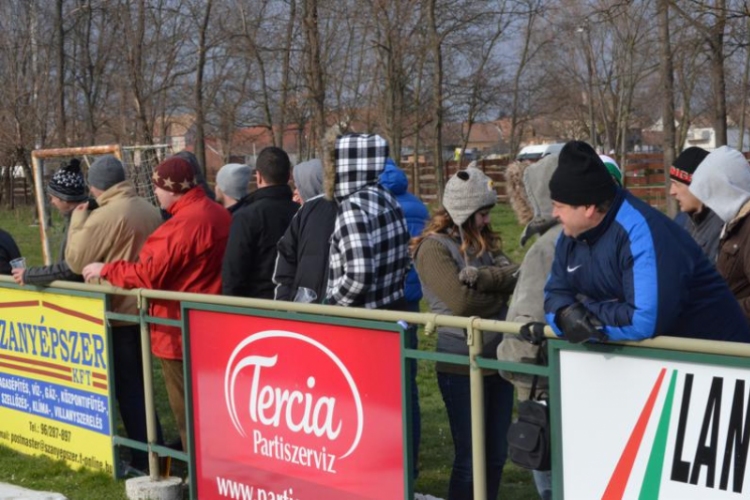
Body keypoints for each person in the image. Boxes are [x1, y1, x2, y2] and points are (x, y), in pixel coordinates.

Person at [82, 156, 231, 452]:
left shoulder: (182, 225)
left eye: (158, 187)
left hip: (178, 330)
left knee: (186, 409)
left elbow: (147, 273)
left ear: (173, 188)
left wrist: (105, 270)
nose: (156, 194)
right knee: (214, 404)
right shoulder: (219, 214)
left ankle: (199, 476)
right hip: (212, 323)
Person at [543, 140, 750, 343]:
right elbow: (554, 295)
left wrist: (585, 317)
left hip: (714, 359)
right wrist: (565, 316)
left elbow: (645, 320)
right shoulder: (570, 236)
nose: (554, 214)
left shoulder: (642, 232)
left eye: (560, 206)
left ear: (588, 207)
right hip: (659, 362)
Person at [412, 166, 518, 500]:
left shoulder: (482, 242)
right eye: (483, 214)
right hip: (460, 366)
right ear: (464, 212)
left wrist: (486, 281)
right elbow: (460, 303)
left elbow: (518, 273)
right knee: (471, 461)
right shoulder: (433, 249)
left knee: (496, 456)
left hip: (496, 363)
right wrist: (501, 290)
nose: (488, 221)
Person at [63, 154, 165, 472]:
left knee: (127, 387)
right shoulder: (150, 209)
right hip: (146, 306)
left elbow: (76, 261)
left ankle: (142, 457)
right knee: (144, 384)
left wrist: (78, 220)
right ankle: (157, 450)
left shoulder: (106, 214)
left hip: (117, 309)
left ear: (96, 186)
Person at [379, 157, 429, 478]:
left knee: (381, 386)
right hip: (409, 302)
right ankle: (410, 460)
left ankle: (388, 460)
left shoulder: (375, 206)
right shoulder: (418, 207)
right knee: (408, 382)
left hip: (381, 303)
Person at [324, 133, 410, 309]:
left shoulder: (353, 207)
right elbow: (407, 257)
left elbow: (360, 275)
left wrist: (332, 304)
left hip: (364, 320)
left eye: (330, 165)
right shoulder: (386, 196)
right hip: (395, 307)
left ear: (343, 166)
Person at [222, 147, 299, 298]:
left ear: (258, 177)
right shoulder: (302, 213)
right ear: (289, 176)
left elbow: (233, 274)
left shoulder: (246, 217)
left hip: (256, 308)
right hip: (295, 304)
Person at [689, 146, 750, 323]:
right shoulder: (735, 224)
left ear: (723, 189)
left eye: (709, 194)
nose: (708, 204)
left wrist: (722, 309)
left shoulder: (747, 228)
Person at [12, 159, 87, 285]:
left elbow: (71, 269)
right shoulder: (75, 218)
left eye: (53, 197)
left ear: (65, 199)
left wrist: (30, 275)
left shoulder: (83, 223)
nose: (51, 202)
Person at [273, 159, 336, 302]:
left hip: (313, 306)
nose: (296, 191)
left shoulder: (307, 213)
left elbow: (286, 259)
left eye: (298, 186)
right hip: (314, 305)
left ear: (310, 184)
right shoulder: (305, 214)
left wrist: (283, 301)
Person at [667, 146, 722, 261]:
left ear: (697, 185)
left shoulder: (724, 228)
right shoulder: (681, 221)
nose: (671, 192)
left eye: (676, 184)